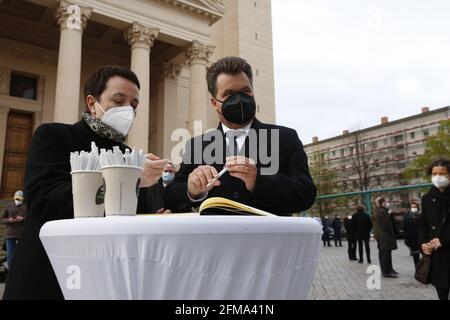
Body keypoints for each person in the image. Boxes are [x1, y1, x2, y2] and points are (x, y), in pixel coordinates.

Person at [3, 66, 168, 300]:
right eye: (119, 100)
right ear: (92, 103)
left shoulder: (130, 155)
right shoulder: (53, 136)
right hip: (51, 276)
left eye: (133, 105)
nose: (128, 111)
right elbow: (45, 202)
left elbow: (139, 215)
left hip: (107, 280)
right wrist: (125, 178)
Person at [164, 57, 316, 215]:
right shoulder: (198, 146)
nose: (239, 100)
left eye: (245, 91)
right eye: (229, 94)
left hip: (269, 238)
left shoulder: (285, 138)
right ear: (214, 103)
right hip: (214, 238)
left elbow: (306, 194)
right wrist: (192, 190)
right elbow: (170, 198)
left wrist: (258, 181)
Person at [420, 158, 450, 300]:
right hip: (438, 257)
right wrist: (423, 244)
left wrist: (443, 240)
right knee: (442, 293)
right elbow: (424, 225)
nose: (438, 177)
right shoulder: (426, 198)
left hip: (446, 246)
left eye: (442, 173)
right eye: (434, 173)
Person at [1, 191, 27, 270]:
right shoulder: (8, 207)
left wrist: (22, 218)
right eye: (16, 198)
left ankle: (21, 271)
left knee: (22, 254)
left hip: (21, 235)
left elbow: (31, 218)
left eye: (19, 198)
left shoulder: (26, 207)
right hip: (10, 235)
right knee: (10, 255)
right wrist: (9, 220)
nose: (17, 200)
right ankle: (10, 272)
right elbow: (2, 219)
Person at [374, 197, 398, 278]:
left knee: (386, 254)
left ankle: (389, 269)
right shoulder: (382, 212)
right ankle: (386, 271)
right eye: (385, 202)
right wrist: (392, 234)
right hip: (385, 237)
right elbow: (387, 225)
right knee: (385, 255)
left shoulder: (382, 211)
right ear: (381, 203)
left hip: (383, 237)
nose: (387, 203)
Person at [404, 201, 422, 267]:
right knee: (416, 257)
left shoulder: (421, 215)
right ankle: (417, 270)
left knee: (425, 256)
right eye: (412, 207)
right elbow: (405, 229)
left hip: (422, 239)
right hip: (413, 240)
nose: (413, 208)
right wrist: (406, 240)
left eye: (415, 207)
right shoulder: (407, 217)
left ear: (417, 207)